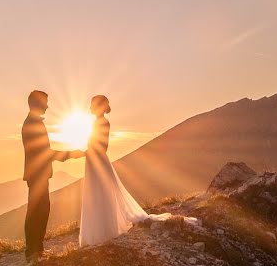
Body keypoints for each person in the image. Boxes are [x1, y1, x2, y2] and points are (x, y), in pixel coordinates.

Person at [79, 95, 197, 247]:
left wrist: (86, 153)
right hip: (94, 162)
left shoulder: (102, 123)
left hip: (97, 162)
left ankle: (104, 231)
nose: (90, 107)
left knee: (100, 193)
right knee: (97, 193)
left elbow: (102, 146)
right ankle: (102, 230)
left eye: (92, 104)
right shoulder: (98, 123)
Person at [22, 90, 84, 262]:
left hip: (38, 173)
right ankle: (33, 252)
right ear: (37, 103)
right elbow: (45, 153)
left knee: (40, 210)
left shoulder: (32, 122)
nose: (47, 106)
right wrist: (72, 154)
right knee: (37, 211)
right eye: (45, 102)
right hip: (38, 174)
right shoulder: (33, 124)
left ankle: (36, 250)